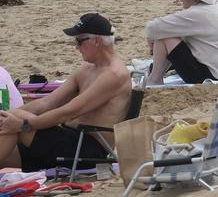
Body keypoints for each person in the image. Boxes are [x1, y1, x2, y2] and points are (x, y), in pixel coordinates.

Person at [0, 14, 131, 171]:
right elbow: (46, 103)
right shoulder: (86, 70)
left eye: (79, 41)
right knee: (7, 147)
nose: (76, 47)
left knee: (17, 120)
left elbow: (69, 112)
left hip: (88, 150)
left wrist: (24, 125)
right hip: (65, 141)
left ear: (96, 40)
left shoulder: (114, 74)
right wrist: (5, 116)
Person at [145, 0, 218, 85]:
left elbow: (153, 28)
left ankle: (154, 79)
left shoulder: (197, 13)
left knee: (166, 36)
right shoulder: (209, 9)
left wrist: (151, 38)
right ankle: (155, 78)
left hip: (209, 77)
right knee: (166, 32)